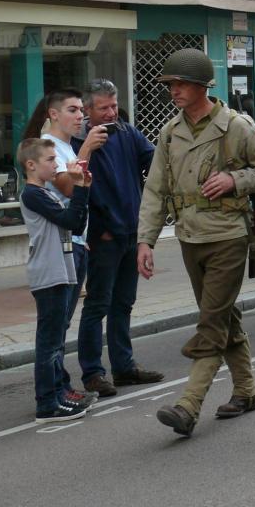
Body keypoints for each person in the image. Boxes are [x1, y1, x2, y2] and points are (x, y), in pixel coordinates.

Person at [137, 48, 255, 437]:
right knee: (223, 314)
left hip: (228, 235)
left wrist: (236, 180)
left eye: (181, 83)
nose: (174, 90)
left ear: (202, 86)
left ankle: (189, 404)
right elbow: (155, 190)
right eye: (170, 84)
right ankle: (247, 390)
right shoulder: (169, 133)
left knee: (212, 319)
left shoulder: (236, 125)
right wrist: (145, 241)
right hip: (189, 235)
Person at [74, 80, 162, 398]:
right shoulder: (77, 139)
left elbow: (152, 157)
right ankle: (93, 373)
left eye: (114, 105)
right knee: (98, 304)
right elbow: (74, 185)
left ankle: (124, 367)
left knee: (124, 303)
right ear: (87, 110)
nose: (112, 112)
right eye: (104, 108)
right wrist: (99, 230)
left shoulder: (125, 131)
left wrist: (153, 188)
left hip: (131, 229)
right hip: (104, 236)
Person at [18, 138, 96, 423]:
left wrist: (82, 188)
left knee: (56, 340)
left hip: (60, 271)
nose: (56, 164)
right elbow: (71, 220)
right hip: (49, 274)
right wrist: (79, 188)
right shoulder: (33, 194)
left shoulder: (45, 193)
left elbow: (75, 221)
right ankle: (47, 403)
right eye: (50, 160)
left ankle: (58, 394)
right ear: (31, 165)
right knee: (49, 342)